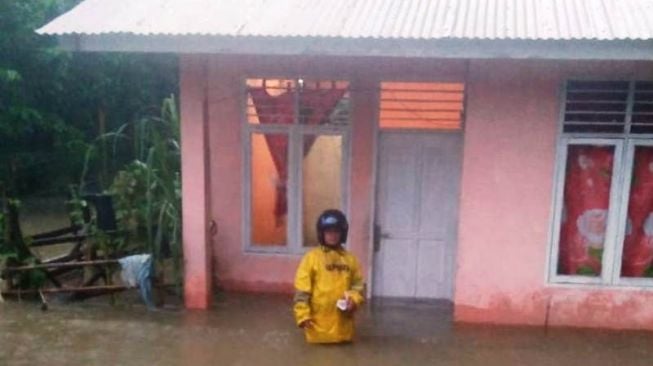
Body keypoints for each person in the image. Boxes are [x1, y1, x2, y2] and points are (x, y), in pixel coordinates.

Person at [293, 209, 365, 343]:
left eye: (336, 231)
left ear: (343, 233)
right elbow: (302, 292)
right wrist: (302, 316)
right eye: (329, 232)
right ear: (322, 233)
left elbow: (358, 286)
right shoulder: (311, 259)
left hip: (344, 329)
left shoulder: (350, 260)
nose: (333, 235)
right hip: (317, 329)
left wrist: (354, 300)